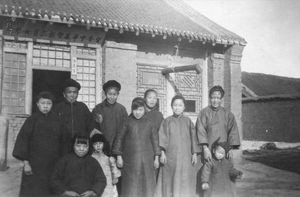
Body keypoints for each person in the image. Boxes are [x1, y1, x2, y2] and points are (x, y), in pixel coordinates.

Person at [13, 91, 63, 197]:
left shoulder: (57, 121)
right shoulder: (31, 120)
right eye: (43, 103)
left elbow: (63, 142)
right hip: (34, 166)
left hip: (52, 165)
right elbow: (23, 141)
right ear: (37, 104)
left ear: (52, 105)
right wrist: (26, 164)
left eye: (48, 103)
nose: (45, 106)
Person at [112, 97, 160, 197]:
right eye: (135, 109)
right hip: (130, 161)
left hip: (147, 160)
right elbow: (119, 139)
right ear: (131, 109)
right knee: (130, 186)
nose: (137, 112)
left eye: (140, 110)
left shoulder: (150, 123)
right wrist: (119, 157)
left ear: (144, 109)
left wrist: (156, 157)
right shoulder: (126, 122)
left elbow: (155, 141)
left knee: (147, 185)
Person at [155, 94, 200, 197]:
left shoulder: (188, 121)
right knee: (170, 181)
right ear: (171, 106)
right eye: (175, 105)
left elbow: (194, 138)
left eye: (180, 105)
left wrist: (194, 153)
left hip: (185, 157)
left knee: (184, 180)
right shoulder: (166, 121)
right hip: (170, 158)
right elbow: (162, 138)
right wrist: (162, 153)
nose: (177, 107)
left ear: (184, 107)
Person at [196, 85, 240, 162]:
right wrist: (205, 148)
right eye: (213, 98)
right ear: (210, 98)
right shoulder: (203, 113)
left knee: (222, 170)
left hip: (223, 149)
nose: (215, 100)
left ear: (221, 99)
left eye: (218, 98)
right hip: (208, 148)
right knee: (207, 170)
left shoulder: (228, 114)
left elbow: (233, 131)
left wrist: (230, 149)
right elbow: (200, 130)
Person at [54, 78, 95, 155]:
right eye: (69, 92)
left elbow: (91, 125)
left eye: (75, 92)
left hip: (80, 146)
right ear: (64, 94)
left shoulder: (82, 107)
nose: (72, 95)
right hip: (62, 146)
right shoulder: (57, 108)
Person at [92, 80, 128, 150]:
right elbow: (94, 127)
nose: (112, 97)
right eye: (109, 94)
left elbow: (126, 126)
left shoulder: (121, 109)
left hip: (118, 144)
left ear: (118, 94)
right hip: (102, 144)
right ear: (105, 94)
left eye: (114, 94)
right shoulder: (98, 108)